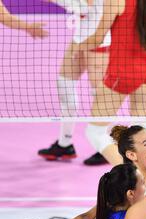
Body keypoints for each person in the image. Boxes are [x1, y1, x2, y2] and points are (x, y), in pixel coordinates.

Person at [73, 0, 146, 166]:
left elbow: (98, 37)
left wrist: (78, 47)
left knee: (95, 132)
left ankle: (131, 174)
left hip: (123, 71)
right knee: (141, 128)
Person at [38, 0, 111, 165]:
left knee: (101, 95)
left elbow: (87, 5)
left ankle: (106, 146)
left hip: (100, 40)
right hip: (80, 37)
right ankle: (65, 144)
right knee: (64, 83)